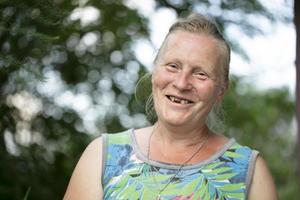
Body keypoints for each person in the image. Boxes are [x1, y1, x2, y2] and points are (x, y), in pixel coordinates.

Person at [64, 13, 278, 200]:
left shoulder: (249, 171)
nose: (182, 83)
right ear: (155, 71)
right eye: (173, 66)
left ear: (221, 90)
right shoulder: (103, 155)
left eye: (200, 73)